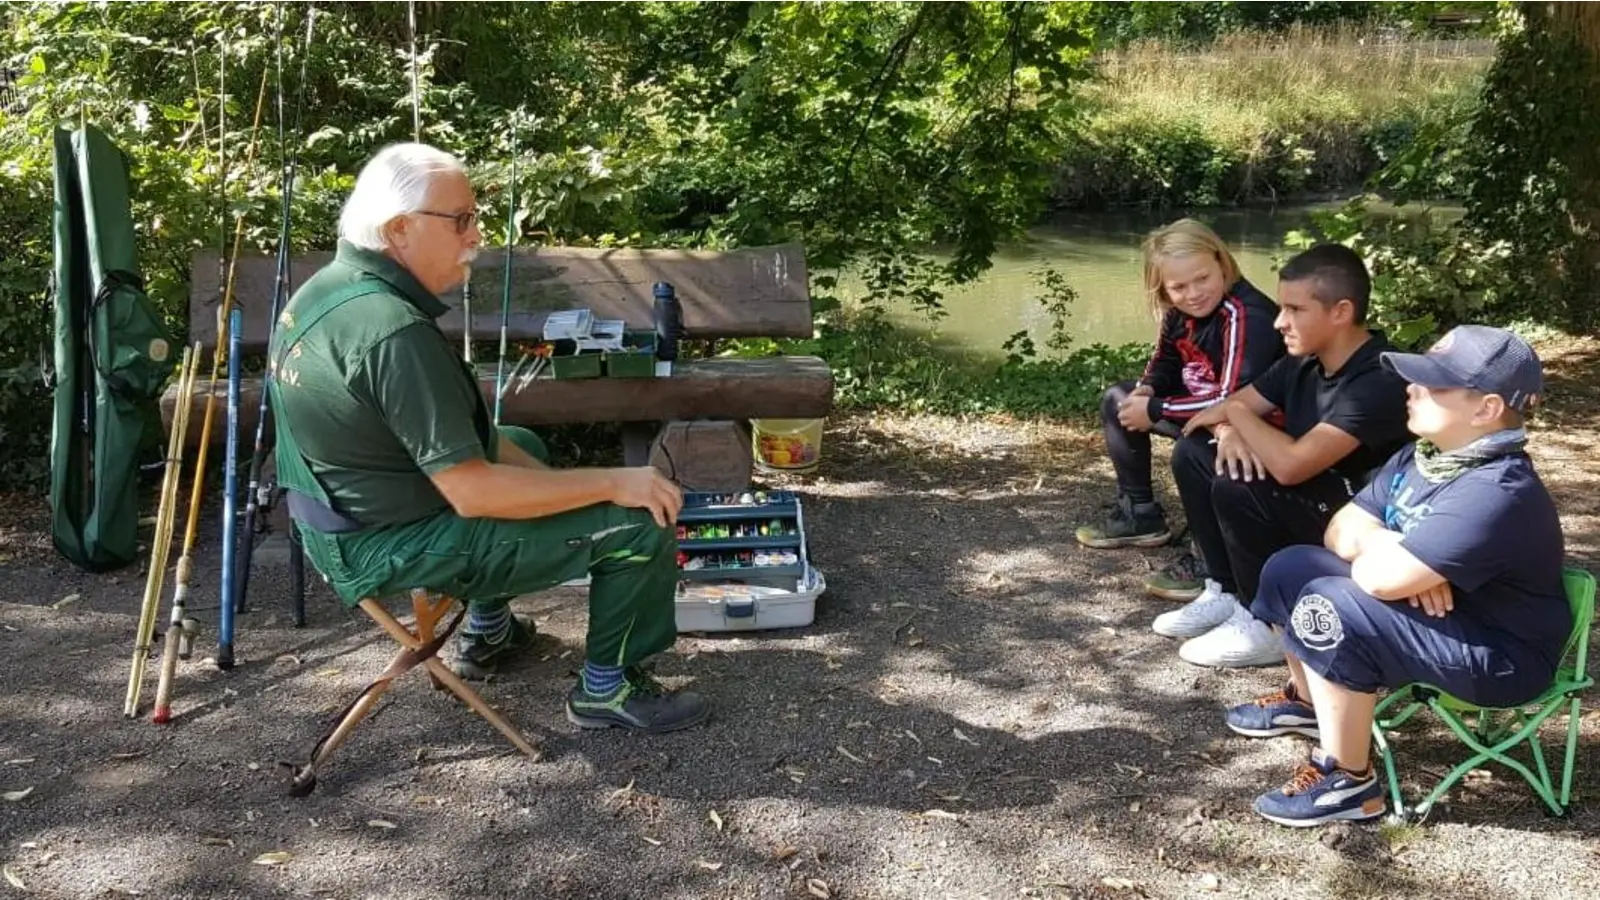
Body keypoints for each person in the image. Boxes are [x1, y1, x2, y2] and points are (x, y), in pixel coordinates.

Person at [267, 143, 709, 734]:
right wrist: (612, 484)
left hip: (334, 512)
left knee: (522, 439)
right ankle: (608, 688)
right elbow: (474, 494)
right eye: (461, 220)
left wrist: (568, 493)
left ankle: (489, 632)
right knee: (638, 523)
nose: (475, 236)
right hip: (385, 541)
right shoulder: (391, 332)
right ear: (399, 228)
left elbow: (481, 441)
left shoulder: (328, 290)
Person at [1226, 325, 1567, 827]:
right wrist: (1395, 549)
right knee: (1288, 567)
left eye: (1432, 385)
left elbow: (1383, 581)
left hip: (1498, 656)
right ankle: (1306, 700)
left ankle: (1349, 781)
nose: (1412, 389)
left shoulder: (1497, 490)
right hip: (1445, 621)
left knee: (1330, 601)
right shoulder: (1423, 456)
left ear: (1487, 409)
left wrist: (1395, 560)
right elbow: (1340, 529)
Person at [1153, 244, 1410, 668]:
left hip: (1361, 522)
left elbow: (1291, 466)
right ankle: (1225, 590)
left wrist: (1236, 415)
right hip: (1318, 494)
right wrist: (1228, 427)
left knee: (1240, 484)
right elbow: (1214, 414)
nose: (1279, 321)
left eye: (1293, 309)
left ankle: (1268, 624)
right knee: (1196, 452)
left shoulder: (1375, 379)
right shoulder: (1306, 361)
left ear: (1341, 312)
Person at [1075, 219, 1284, 593]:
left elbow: (1233, 399)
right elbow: (1166, 361)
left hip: (1255, 424)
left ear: (1222, 263)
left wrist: (1156, 410)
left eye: (1202, 278)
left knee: (1192, 451)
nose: (1193, 294)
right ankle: (1141, 515)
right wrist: (1146, 390)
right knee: (1118, 400)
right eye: (1178, 287)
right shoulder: (1179, 311)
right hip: (1208, 412)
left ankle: (1209, 560)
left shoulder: (1244, 315)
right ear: (1164, 289)